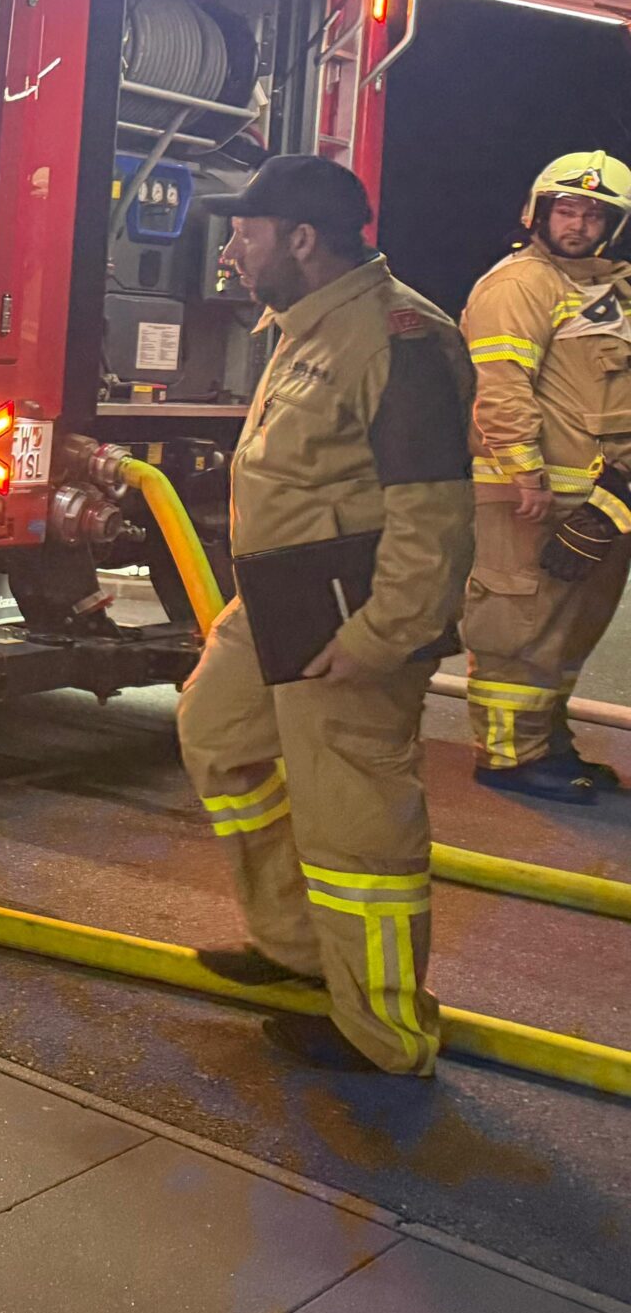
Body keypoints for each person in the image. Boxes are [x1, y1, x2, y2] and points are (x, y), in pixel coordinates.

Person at [177, 155, 472, 1076]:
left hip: (352, 621)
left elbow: (433, 515)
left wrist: (380, 635)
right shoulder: (307, 323)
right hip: (281, 604)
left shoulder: (398, 337)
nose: (230, 251)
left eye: (245, 233)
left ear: (301, 239)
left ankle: (384, 1032)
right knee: (217, 731)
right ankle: (300, 949)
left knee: (357, 828)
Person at [458, 151, 631, 803]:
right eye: (567, 209)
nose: (578, 224)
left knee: (568, 629)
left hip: (597, 502)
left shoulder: (607, 291)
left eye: (594, 214)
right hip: (528, 498)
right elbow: (501, 384)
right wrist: (525, 472)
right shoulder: (520, 284)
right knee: (518, 628)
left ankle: (547, 743)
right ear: (538, 212)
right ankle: (508, 756)